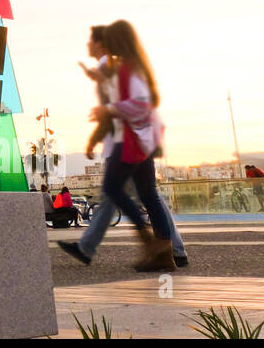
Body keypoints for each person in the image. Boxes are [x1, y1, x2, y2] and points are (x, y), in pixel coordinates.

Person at [60, 20, 180, 272]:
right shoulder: (130, 66)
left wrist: (109, 109)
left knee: (113, 189)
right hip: (138, 140)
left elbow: (140, 103)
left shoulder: (128, 68)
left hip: (129, 140)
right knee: (148, 195)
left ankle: (151, 242)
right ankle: (167, 253)